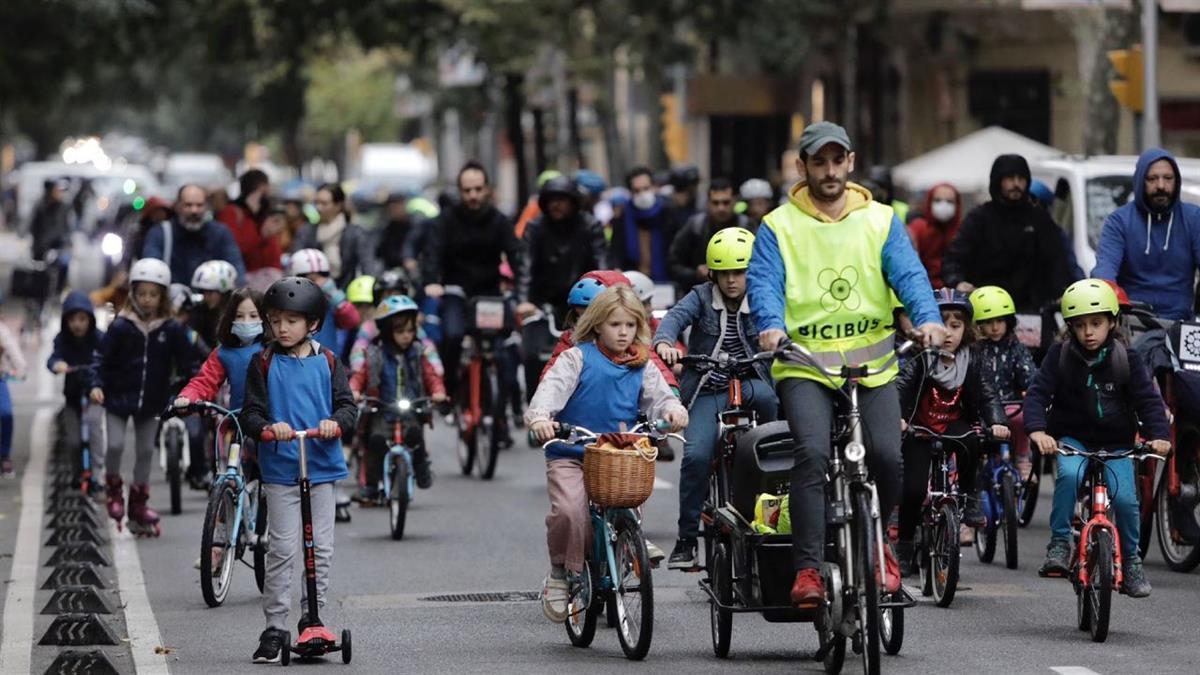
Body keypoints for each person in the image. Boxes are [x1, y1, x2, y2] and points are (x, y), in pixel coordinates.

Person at [747, 120, 945, 606]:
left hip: (873, 364)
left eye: (838, 160)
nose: (830, 170)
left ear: (850, 162)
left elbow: (911, 277)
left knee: (886, 455)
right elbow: (764, 284)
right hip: (804, 366)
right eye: (819, 161)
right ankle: (808, 570)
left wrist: (928, 319)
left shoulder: (880, 219)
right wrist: (770, 325)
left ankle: (881, 545)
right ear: (804, 166)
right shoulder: (778, 225)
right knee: (812, 452)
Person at [527, 285, 688, 622]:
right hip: (572, 452)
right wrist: (542, 419)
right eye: (615, 325)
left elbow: (662, 397)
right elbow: (548, 394)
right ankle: (560, 572)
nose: (623, 332)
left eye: (630, 325)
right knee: (571, 511)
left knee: (627, 496)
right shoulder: (576, 358)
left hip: (618, 453)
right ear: (597, 324)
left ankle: (631, 541)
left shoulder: (641, 363)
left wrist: (673, 411)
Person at [1025, 280, 1171, 597]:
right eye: (1079, 326)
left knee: (1126, 500)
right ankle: (1060, 543)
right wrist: (1037, 430)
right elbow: (1037, 393)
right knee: (1068, 475)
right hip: (1073, 439)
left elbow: (1148, 400)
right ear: (1070, 328)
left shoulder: (1127, 358)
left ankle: (1131, 562)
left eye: (1096, 323)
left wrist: (1160, 435)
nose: (1088, 332)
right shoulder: (1059, 355)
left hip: (1117, 445)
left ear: (1112, 323)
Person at [240, 276, 357, 663]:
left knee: (319, 549)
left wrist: (334, 423)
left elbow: (347, 407)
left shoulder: (327, 360)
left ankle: (312, 617)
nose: (282, 328)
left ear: (313, 324)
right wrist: (268, 428)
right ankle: (274, 627)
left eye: (292, 320)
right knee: (283, 549)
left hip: (321, 467)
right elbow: (251, 413)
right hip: (281, 468)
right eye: (275, 321)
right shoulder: (264, 361)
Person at [655, 228, 779, 569]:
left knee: (775, 436)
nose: (732, 281)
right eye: (724, 273)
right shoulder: (699, 296)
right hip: (709, 386)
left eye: (739, 272)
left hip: (754, 380)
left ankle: (774, 520)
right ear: (713, 274)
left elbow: (789, 322)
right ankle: (686, 540)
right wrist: (665, 342)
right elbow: (673, 319)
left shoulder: (766, 296)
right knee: (695, 456)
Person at [896, 289, 1010, 571]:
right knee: (912, 490)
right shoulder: (919, 357)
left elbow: (987, 394)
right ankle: (906, 544)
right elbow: (900, 388)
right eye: (942, 324)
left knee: (972, 440)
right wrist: (897, 418)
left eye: (956, 325)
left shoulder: (972, 357)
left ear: (967, 329)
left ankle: (971, 497)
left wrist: (997, 420)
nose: (948, 333)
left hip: (953, 423)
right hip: (919, 427)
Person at [90, 258, 199, 534]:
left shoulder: (172, 329)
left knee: (145, 451)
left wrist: (188, 391)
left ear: (162, 296)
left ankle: (138, 504)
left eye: (153, 294)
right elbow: (100, 359)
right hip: (116, 397)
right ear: (133, 294)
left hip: (153, 400)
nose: (147, 300)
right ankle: (114, 488)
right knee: (114, 445)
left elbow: (188, 364)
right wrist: (96, 384)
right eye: (142, 294)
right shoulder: (121, 326)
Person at [422, 161, 522, 399]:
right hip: (457, 292)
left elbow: (516, 255)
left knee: (505, 345)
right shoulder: (445, 220)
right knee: (453, 335)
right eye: (467, 190)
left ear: (487, 189)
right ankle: (450, 390)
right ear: (460, 191)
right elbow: (432, 254)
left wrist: (522, 286)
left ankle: (510, 402)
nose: (473, 195)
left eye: (478, 189)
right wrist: (431, 281)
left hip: (491, 294)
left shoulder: (499, 221)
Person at [941, 154, 1075, 312]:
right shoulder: (979, 219)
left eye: (1021, 179)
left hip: (1032, 311)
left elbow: (1057, 261)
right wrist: (958, 282)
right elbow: (954, 258)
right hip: (986, 309)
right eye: (1010, 178)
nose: (1016, 184)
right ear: (998, 181)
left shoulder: (1040, 219)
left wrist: (1060, 291)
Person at [349, 295, 447, 495]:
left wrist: (438, 392)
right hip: (383, 409)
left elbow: (430, 375)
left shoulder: (418, 352)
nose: (406, 336)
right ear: (386, 331)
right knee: (376, 441)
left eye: (410, 331)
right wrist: (355, 390)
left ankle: (422, 470)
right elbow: (361, 375)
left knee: (415, 436)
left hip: (411, 409)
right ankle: (370, 484)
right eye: (400, 331)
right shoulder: (375, 354)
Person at [1092, 148, 1200, 321]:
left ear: (1177, 181)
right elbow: (1105, 269)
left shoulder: (1194, 218)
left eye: (1168, 178)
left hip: (1180, 322)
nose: (1161, 186)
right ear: (1140, 181)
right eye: (1152, 179)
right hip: (1132, 320)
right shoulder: (1119, 221)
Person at [514, 175, 608, 326]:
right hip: (543, 302)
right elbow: (526, 266)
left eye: (562, 200)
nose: (556, 205)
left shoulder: (590, 225)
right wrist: (523, 301)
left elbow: (602, 263)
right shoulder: (535, 228)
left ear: (573, 202)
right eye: (551, 200)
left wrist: (607, 298)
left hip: (583, 301)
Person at [969, 285, 1036, 473]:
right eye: (988, 321)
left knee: (1023, 418)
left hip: (1010, 404)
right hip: (980, 409)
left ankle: (1022, 456)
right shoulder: (974, 350)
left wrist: (1032, 387)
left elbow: (1029, 374)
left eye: (1000, 320)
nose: (995, 327)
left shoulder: (1015, 348)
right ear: (977, 324)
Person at [47, 291, 105, 484]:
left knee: (95, 428)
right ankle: (76, 473)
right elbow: (53, 358)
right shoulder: (62, 339)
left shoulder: (99, 338)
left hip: (94, 394)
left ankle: (97, 473)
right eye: (72, 320)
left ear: (90, 319)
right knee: (73, 440)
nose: (77, 324)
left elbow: (110, 358)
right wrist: (57, 365)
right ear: (66, 321)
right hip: (72, 397)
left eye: (82, 319)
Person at [142, 184, 246, 288]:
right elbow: (150, 269)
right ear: (178, 206)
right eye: (188, 205)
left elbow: (236, 271)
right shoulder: (161, 234)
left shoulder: (220, 233)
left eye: (199, 205)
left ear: (206, 206)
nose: (194, 211)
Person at [668, 178, 751, 292]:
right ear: (708, 203)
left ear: (734, 201)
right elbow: (673, 264)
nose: (721, 208)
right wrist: (696, 273)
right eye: (715, 203)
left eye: (726, 202)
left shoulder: (746, 227)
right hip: (701, 293)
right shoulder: (695, 226)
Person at [293, 183, 380, 288]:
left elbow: (367, 267)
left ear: (338, 205)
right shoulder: (306, 232)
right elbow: (296, 263)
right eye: (316, 203)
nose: (319, 208)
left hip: (346, 290)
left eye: (324, 203)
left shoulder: (355, 233)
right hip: (311, 290)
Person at [287, 249, 361, 357]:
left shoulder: (329, 303)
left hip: (329, 364)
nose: (319, 283)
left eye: (322, 276)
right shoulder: (287, 305)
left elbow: (352, 320)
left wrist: (335, 295)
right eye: (311, 279)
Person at [219, 170, 284, 291]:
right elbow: (234, 249)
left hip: (271, 278)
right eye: (263, 188)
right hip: (244, 280)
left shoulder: (265, 212)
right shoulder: (232, 212)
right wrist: (262, 235)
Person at [610, 166, 677, 282]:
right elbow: (616, 249)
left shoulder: (669, 212)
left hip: (667, 279)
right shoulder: (623, 215)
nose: (642, 194)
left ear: (654, 187)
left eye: (646, 188)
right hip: (633, 279)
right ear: (630, 192)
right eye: (637, 190)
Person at [906, 182, 962, 288]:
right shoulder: (917, 229)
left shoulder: (963, 232)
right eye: (938, 200)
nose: (943, 205)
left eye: (949, 201)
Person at [0, 292, 26, 477]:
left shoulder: (2, 331)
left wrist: (20, 369)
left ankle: (4, 455)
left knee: (6, 414)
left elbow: (14, 351)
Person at [189, 259, 240, 348]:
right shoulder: (199, 311)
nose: (206, 297)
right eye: (204, 291)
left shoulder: (237, 315)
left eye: (211, 292)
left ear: (224, 293)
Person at [375, 193, 422, 271]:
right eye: (390, 208)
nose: (392, 211)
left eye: (394, 207)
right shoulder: (388, 228)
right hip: (393, 269)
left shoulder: (417, 224)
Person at [30, 178, 72, 262]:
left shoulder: (62, 206)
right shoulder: (40, 206)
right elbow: (34, 226)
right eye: (55, 190)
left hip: (58, 245)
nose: (58, 193)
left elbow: (66, 225)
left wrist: (67, 241)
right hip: (42, 247)